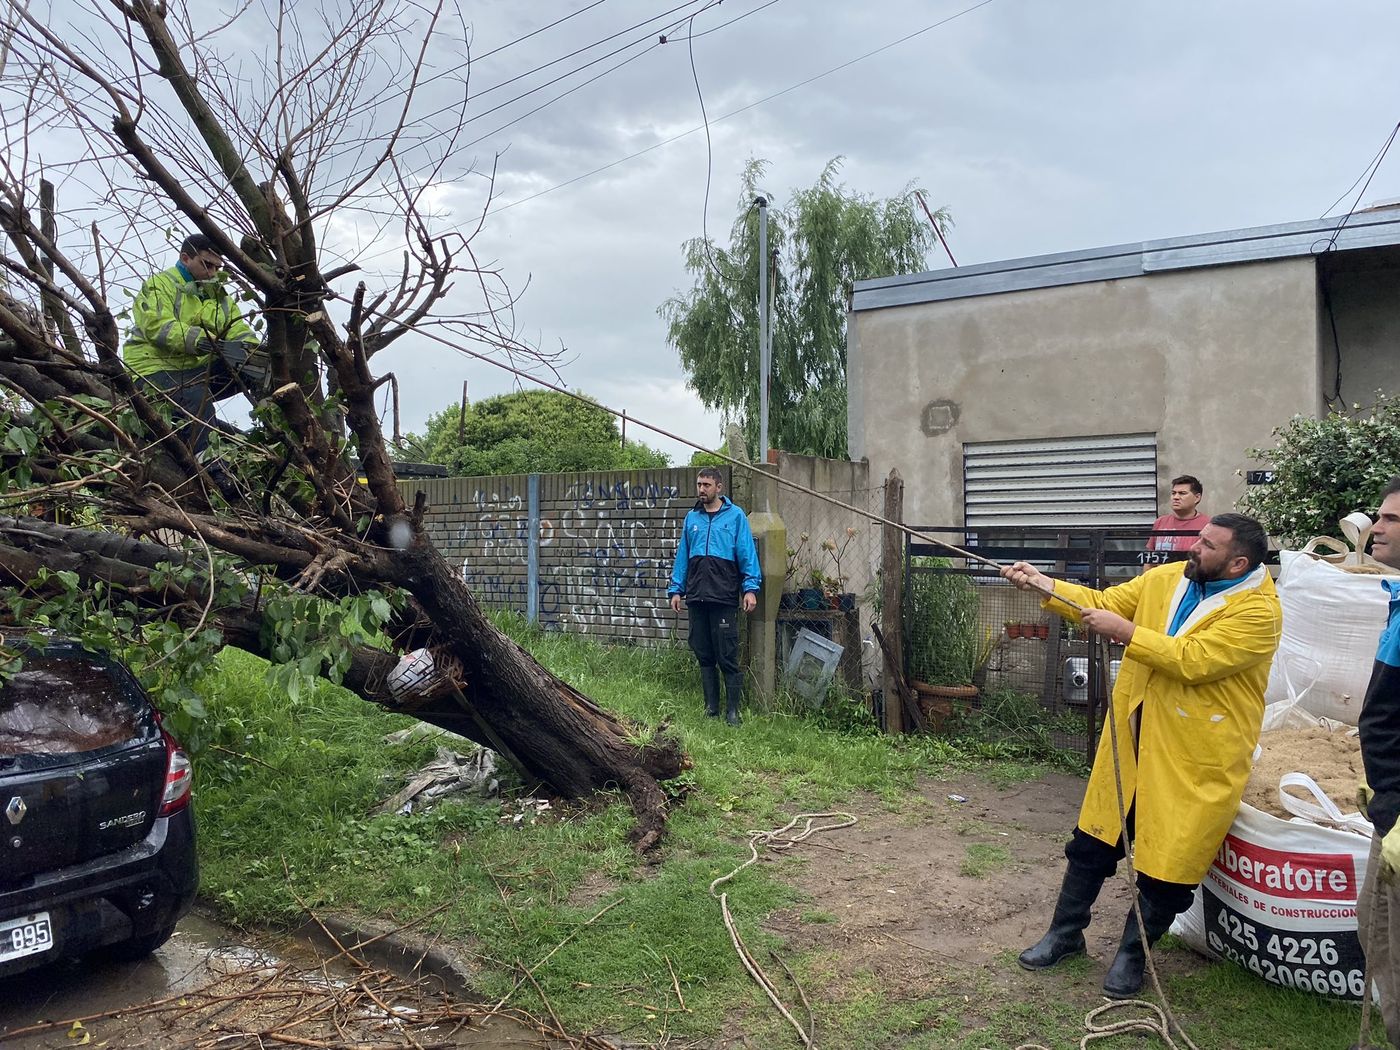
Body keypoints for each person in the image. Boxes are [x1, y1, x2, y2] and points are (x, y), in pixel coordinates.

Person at [1001, 513, 1281, 998]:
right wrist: (1043, 583)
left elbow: (1193, 660)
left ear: (1238, 563)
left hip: (1196, 755)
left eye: (1207, 545)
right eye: (1198, 539)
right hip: (1134, 737)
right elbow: (1103, 603)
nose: (1194, 548)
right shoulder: (1166, 579)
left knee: (1169, 866)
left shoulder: (1260, 613)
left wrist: (1127, 633)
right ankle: (1065, 935)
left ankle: (1135, 956)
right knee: (1093, 840)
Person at [121, 234, 265, 455]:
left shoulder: (219, 297)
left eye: (217, 268)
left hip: (194, 370)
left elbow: (238, 329)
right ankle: (209, 464)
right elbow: (157, 326)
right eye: (207, 265)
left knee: (253, 368)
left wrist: (253, 351)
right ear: (185, 258)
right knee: (196, 398)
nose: (213, 273)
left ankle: (271, 427)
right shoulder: (159, 285)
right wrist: (200, 340)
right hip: (152, 370)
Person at [1357, 476, 1400, 1049]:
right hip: (1391, 811)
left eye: (1391, 518)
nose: (1376, 527)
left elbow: (1385, 719)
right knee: (1374, 926)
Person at [668, 468, 762, 725]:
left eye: (707, 485)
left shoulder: (736, 516)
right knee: (703, 652)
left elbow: (747, 554)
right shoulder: (692, 518)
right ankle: (711, 708)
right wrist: (676, 590)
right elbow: (683, 557)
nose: (702, 489)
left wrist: (750, 588)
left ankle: (732, 711)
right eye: (699, 484)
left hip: (723, 597)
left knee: (727, 654)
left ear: (719, 487)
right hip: (697, 597)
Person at [1146, 475, 1211, 552]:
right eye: (1173, 493)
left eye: (1182, 493)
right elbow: (1150, 555)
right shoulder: (1160, 522)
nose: (1176, 497)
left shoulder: (1208, 525)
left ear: (1197, 498)